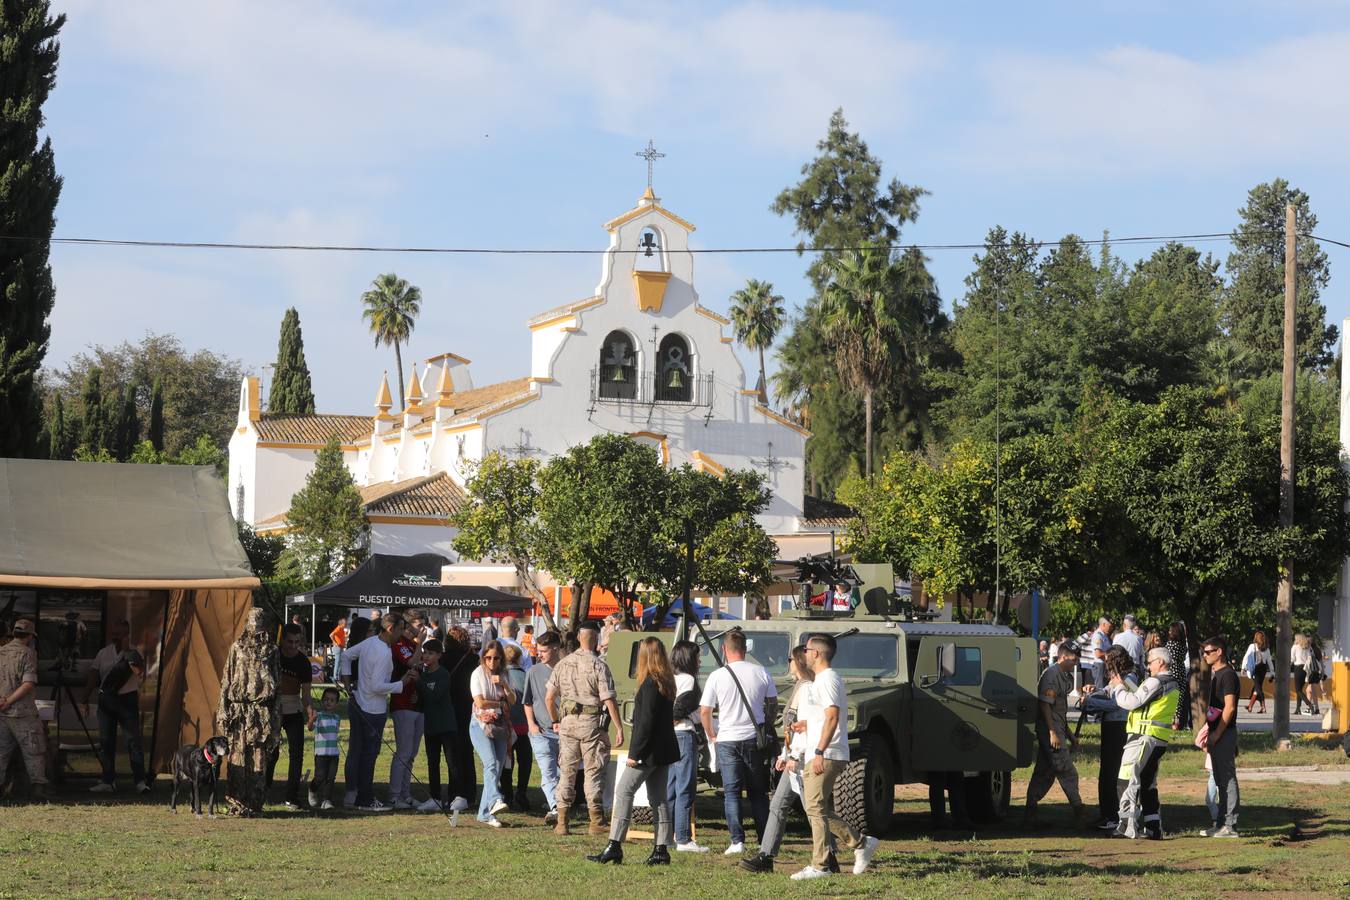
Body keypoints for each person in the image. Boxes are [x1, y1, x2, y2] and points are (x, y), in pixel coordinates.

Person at [790, 634, 879, 880]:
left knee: (815, 809)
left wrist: (818, 751)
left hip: (826, 753)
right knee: (816, 808)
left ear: (816, 653)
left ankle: (821, 865)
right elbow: (826, 716)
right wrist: (807, 724)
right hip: (824, 751)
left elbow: (832, 716)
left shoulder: (826, 679)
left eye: (807, 650)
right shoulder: (824, 680)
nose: (803, 654)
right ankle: (861, 843)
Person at [587, 637, 679, 866]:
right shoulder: (666, 683)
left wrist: (634, 753)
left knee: (623, 791)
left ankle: (614, 845)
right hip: (663, 751)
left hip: (647, 752)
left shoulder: (649, 684)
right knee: (659, 799)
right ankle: (661, 849)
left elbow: (645, 724)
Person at [699, 629, 778, 856]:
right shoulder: (761, 671)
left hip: (727, 739)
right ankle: (765, 838)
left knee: (732, 792)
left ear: (724, 650)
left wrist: (712, 734)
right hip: (754, 738)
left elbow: (705, 711)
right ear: (746, 649)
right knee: (758, 793)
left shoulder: (717, 676)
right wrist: (766, 724)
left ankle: (737, 840)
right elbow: (772, 705)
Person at [742, 645, 817, 874]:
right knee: (778, 805)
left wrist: (794, 755)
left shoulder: (807, 690)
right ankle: (766, 856)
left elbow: (806, 727)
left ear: (799, 662)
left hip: (802, 759)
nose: (788, 664)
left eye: (790, 660)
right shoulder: (799, 687)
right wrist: (785, 755)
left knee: (814, 811)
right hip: (793, 758)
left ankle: (850, 845)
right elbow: (791, 729)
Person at [547, 622, 624, 836]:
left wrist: (555, 720)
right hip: (591, 724)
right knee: (593, 771)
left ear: (579, 637)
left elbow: (549, 697)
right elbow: (608, 699)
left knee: (567, 772)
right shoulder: (599, 665)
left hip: (568, 723)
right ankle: (596, 821)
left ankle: (562, 822)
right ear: (597, 638)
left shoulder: (563, 663)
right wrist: (618, 727)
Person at [341, 612, 417, 812]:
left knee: (360, 752)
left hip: (359, 703)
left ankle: (356, 795)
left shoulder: (371, 642)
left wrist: (348, 685)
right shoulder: (383, 652)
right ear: (391, 629)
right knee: (369, 754)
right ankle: (365, 799)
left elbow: (347, 656)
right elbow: (376, 686)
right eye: (401, 629)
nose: (403, 634)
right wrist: (401, 684)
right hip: (373, 710)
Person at [217, 608, 281, 817]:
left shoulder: (271, 650)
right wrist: (223, 709)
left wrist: (275, 717)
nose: (256, 631)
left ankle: (254, 804)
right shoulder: (237, 647)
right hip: (238, 711)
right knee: (237, 755)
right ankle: (236, 803)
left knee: (259, 756)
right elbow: (227, 678)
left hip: (261, 712)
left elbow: (277, 684)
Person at [1111, 647, 1179, 840]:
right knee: (1148, 782)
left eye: (1150, 662)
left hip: (1143, 737)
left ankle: (1126, 827)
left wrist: (1118, 688)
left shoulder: (1156, 681)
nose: (1148, 666)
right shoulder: (1171, 682)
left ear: (1161, 662)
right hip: (1158, 739)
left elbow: (1133, 702)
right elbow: (1145, 699)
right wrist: (1125, 685)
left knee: (1126, 779)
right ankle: (1153, 827)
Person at [1024, 642, 1090, 828]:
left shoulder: (1065, 676)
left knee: (1044, 773)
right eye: (1073, 659)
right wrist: (1053, 733)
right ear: (1062, 657)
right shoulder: (1051, 675)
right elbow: (1045, 705)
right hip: (1049, 731)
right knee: (1067, 770)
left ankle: (1030, 814)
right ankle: (1079, 810)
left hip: (1057, 729)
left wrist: (1069, 734)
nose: (1075, 663)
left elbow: (1059, 710)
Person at [85, 619, 149, 794]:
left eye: (119, 634)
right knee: (106, 741)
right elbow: (93, 674)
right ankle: (108, 780)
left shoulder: (134, 652)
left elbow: (139, 671)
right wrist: (85, 697)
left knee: (133, 741)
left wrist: (128, 651)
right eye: (113, 634)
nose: (115, 637)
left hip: (127, 701)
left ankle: (139, 782)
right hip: (107, 700)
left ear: (126, 634)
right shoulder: (103, 653)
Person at [1082, 646, 1137, 831]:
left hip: (1119, 727)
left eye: (1108, 660)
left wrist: (1089, 702)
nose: (1105, 663)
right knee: (1105, 772)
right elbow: (1107, 692)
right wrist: (1094, 690)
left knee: (1112, 772)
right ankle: (1106, 814)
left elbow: (1117, 704)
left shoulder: (1129, 678)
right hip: (1110, 726)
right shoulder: (1116, 678)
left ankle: (1114, 816)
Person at [266, 623, 316, 810]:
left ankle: (292, 797)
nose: (293, 646)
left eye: (296, 642)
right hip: (274, 710)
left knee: (297, 755)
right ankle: (265, 789)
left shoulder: (303, 662)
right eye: (289, 641)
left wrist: (310, 712)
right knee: (271, 753)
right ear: (282, 640)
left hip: (294, 710)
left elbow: (307, 694)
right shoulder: (273, 656)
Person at [0, 619, 48, 803]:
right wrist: (9, 701)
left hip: (1, 712)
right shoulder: (28, 653)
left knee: (1, 753)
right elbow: (28, 683)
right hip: (23, 712)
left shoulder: (0, 651)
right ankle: (38, 790)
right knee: (34, 750)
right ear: (29, 636)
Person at [469, 639, 515, 827]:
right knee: (490, 764)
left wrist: (504, 685)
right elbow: (479, 703)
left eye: (496, 658)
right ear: (483, 658)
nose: (492, 662)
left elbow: (512, 700)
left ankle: (484, 813)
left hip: (501, 725)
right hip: (480, 725)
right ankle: (495, 799)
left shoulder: (505, 674)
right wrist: (500, 703)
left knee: (498, 765)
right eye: (488, 658)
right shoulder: (477, 674)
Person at [670, 640, 710, 854]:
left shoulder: (668, 678)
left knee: (669, 787)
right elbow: (679, 710)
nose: (700, 660)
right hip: (684, 735)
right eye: (697, 656)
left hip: (669, 737)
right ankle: (683, 838)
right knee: (684, 787)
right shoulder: (689, 681)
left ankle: (666, 836)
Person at [1201, 635, 1240, 837]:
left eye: (1208, 652)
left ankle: (1230, 824)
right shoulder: (1217, 674)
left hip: (1224, 733)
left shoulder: (1228, 675)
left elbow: (1230, 707)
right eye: (1204, 652)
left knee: (1227, 778)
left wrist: (1217, 733)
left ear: (1219, 652)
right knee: (1219, 780)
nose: (1205, 655)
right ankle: (1221, 823)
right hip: (1217, 733)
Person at [523, 630, 562, 824]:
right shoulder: (533, 671)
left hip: (566, 731)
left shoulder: (567, 668)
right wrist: (532, 725)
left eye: (544, 650)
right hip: (541, 731)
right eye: (538, 650)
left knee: (565, 773)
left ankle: (562, 805)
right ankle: (556, 809)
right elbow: (527, 701)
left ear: (555, 649)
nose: (539, 654)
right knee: (548, 771)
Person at [416, 639, 459, 813]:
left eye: (431, 653)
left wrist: (420, 682)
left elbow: (434, 696)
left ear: (439, 656)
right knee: (432, 762)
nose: (426, 656)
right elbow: (424, 698)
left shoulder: (443, 674)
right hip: (431, 725)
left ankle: (453, 797)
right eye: (424, 652)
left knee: (451, 763)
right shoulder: (422, 673)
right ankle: (434, 797)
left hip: (446, 725)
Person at [388, 619, 424, 810]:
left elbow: (420, 666)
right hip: (402, 704)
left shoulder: (413, 644)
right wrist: (419, 644)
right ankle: (394, 795)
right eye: (418, 624)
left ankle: (405, 794)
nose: (421, 629)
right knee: (403, 752)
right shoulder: (399, 643)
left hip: (417, 705)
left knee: (411, 753)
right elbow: (411, 661)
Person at [443, 626, 477, 813]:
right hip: (469, 708)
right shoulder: (473, 660)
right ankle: (470, 793)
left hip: (450, 709)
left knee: (453, 755)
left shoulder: (444, 660)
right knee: (467, 752)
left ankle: (455, 792)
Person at [339, 615, 371, 807]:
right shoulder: (357, 651)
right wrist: (350, 688)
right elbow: (346, 674)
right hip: (359, 698)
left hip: (361, 697)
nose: (373, 636)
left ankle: (357, 790)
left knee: (361, 748)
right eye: (370, 632)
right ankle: (352, 790)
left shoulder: (359, 649)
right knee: (358, 747)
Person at [499, 643, 533, 811]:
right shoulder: (527, 676)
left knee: (507, 763)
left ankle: (507, 794)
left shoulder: (501, 677)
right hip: (525, 726)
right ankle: (522, 791)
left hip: (507, 726)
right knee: (525, 761)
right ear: (519, 658)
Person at [308, 687, 342, 810]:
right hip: (321, 754)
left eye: (332, 700)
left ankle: (326, 800)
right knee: (320, 776)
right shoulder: (319, 716)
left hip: (334, 754)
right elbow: (310, 728)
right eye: (326, 699)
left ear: (337, 703)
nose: (329, 702)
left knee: (330, 778)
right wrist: (312, 719)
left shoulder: (337, 718)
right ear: (322, 701)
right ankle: (312, 790)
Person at [1165, 622, 1191, 730]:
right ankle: (1177, 722)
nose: (1169, 632)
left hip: (1172, 670)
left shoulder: (1171, 644)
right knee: (1179, 698)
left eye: (1171, 630)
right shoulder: (1183, 644)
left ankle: (1171, 722)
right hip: (1181, 670)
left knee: (1171, 696)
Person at [1241, 631, 1271, 714]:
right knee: (1256, 688)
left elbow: (1246, 656)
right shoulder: (1266, 648)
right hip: (1263, 669)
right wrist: (1272, 672)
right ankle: (1250, 706)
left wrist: (1243, 668)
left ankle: (1263, 707)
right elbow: (1269, 661)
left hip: (1256, 669)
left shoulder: (1252, 646)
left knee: (1258, 688)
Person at [1292, 633, 1312, 715]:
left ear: (1297, 639)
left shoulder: (1295, 647)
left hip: (1298, 668)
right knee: (1300, 689)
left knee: (1298, 690)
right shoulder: (1307, 647)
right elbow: (1310, 657)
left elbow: (1292, 658)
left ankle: (1309, 704)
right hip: (1305, 669)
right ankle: (1298, 709)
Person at [1091, 617, 1113, 690]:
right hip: (1099, 666)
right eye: (1109, 626)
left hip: (1104, 665)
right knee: (1100, 689)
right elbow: (1098, 654)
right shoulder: (1098, 635)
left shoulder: (1104, 635)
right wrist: (1110, 655)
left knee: (1105, 689)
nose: (1110, 628)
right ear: (1103, 624)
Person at [329, 616, 348, 681]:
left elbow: (341, 637)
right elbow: (331, 635)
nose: (346, 624)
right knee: (338, 662)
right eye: (345, 623)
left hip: (341, 647)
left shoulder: (342, 629)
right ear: (342, 623)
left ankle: (338, 677)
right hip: (338, 647)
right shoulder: (339, 628)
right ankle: (335, 677)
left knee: (340, 662)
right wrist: (335, 642)